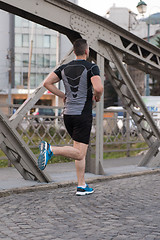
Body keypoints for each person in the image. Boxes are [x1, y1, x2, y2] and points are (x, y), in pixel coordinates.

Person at [38, 38, 103, 196]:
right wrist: (98, 96)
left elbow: (47, 83)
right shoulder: (92, 67)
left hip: (68, 115)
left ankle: (81, 185)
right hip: (82, 114)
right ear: (86, 51)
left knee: (78, 150)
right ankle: (50, 149)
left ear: (74, 52)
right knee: (80, 153)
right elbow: (99, 87)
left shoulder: (64, 68)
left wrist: (63, 95)